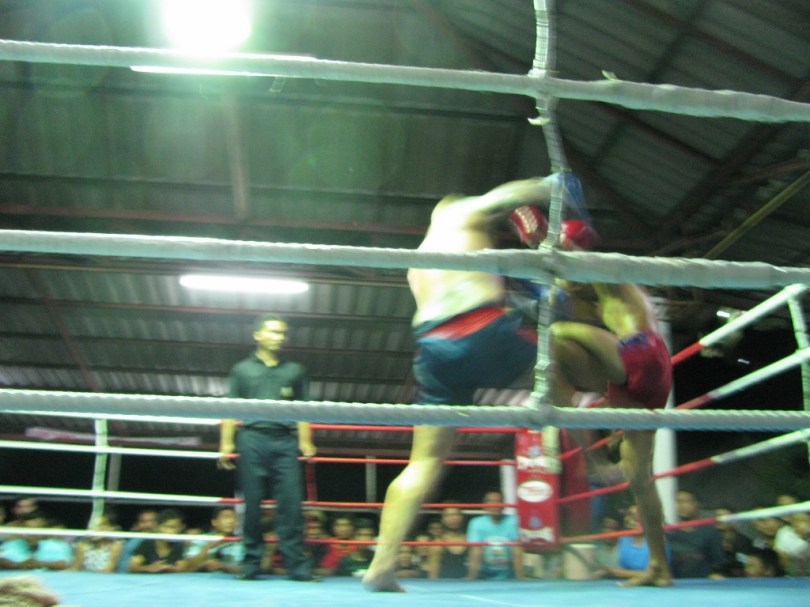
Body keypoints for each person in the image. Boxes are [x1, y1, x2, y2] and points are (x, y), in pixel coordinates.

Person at [362, 173, 580, 592]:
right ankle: (585, 447)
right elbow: (504, 197)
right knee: (562, 350)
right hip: (480, 330)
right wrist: (550, 185)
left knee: (423, 462)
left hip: (433, 351)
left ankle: (381, 565)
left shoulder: (418, 260)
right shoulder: (458, 213)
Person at [549, 230, 673, 586]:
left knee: (554, 333)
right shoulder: (598, 299)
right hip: (638, 377)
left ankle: (580, 437)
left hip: (641, 350)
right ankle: (659, 567)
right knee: (640, 480)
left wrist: (552, 241)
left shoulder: (610, 276)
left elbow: (576, 257)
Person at [218, 313, 318, 582]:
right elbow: (230, 408)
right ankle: (251, 565)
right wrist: (226, 444)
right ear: (258, 335)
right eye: (273, 332)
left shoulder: (295, 370)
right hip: (252, 438)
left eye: (282, 333)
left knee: (292, 506)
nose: (279, 337)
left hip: (285, 440)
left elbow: (304, 409)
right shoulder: (242, 369)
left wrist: (305, 441)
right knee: (252, 504)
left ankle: (297, 567)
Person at [465, 490, 524, 580]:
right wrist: (472, 578)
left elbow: (517, 550)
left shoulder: (513, 521)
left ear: (503, 504)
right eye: (491, 501)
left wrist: (520, 578)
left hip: (509, 575)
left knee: (517, 547)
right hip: (483, 575)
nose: (495, 505)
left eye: (498, 501)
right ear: (484, 505)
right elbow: (475, 551)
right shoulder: (476, 523)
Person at [666, 491, 724, 579]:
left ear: (696, 504)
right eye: (678, 501)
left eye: (685, 501)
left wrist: (714, 575)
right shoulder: (670, 532)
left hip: (702, 582)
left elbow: (718, 561)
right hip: (676, 583)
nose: (681, 505)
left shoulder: (710, 532)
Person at [127, 508, 191, 573]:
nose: (173, 531)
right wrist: (149, 568)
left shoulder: (178, 545)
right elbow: (131, 566)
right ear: (157, 527)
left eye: (176, 528)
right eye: (169, 527)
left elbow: (182, 567)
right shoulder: (148, 543)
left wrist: (169, 568)